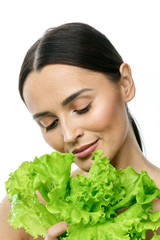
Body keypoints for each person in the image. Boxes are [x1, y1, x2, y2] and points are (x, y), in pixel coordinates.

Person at [0, 22, 159, 240]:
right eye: (50, 124)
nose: (68, 135)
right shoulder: (29, 208)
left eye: (81, 108)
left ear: (125, 84)